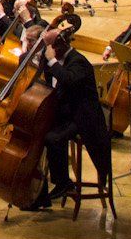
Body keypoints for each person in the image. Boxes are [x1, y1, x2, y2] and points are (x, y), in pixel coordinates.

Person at [28, 22, 109, 211]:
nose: (45, 51)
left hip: (84, 118)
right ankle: (41, 194)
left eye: (47, 47)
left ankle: (63, 182)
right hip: (66, 114)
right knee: (38, 135)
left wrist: (52, 62)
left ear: (59, 46)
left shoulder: (78, 61)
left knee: (53, 138)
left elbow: (68, 79)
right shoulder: (53, 61)